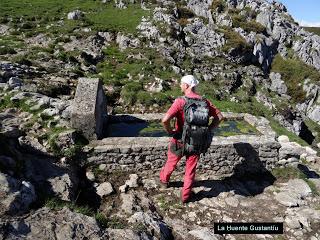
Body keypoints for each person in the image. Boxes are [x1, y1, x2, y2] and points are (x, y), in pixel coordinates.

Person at [159, 75, 224, 203]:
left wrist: (170, 131)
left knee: (171, 162)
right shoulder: (205, 102)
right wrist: (209, 130)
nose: (180, 86)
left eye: (181, 84)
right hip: (197, 141)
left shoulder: (180, 101)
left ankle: (164, 182)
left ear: (187, 86)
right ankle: (185, 196)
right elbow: (220, 117)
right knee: (190, 169)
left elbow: (165, 120)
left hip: (178, 140)